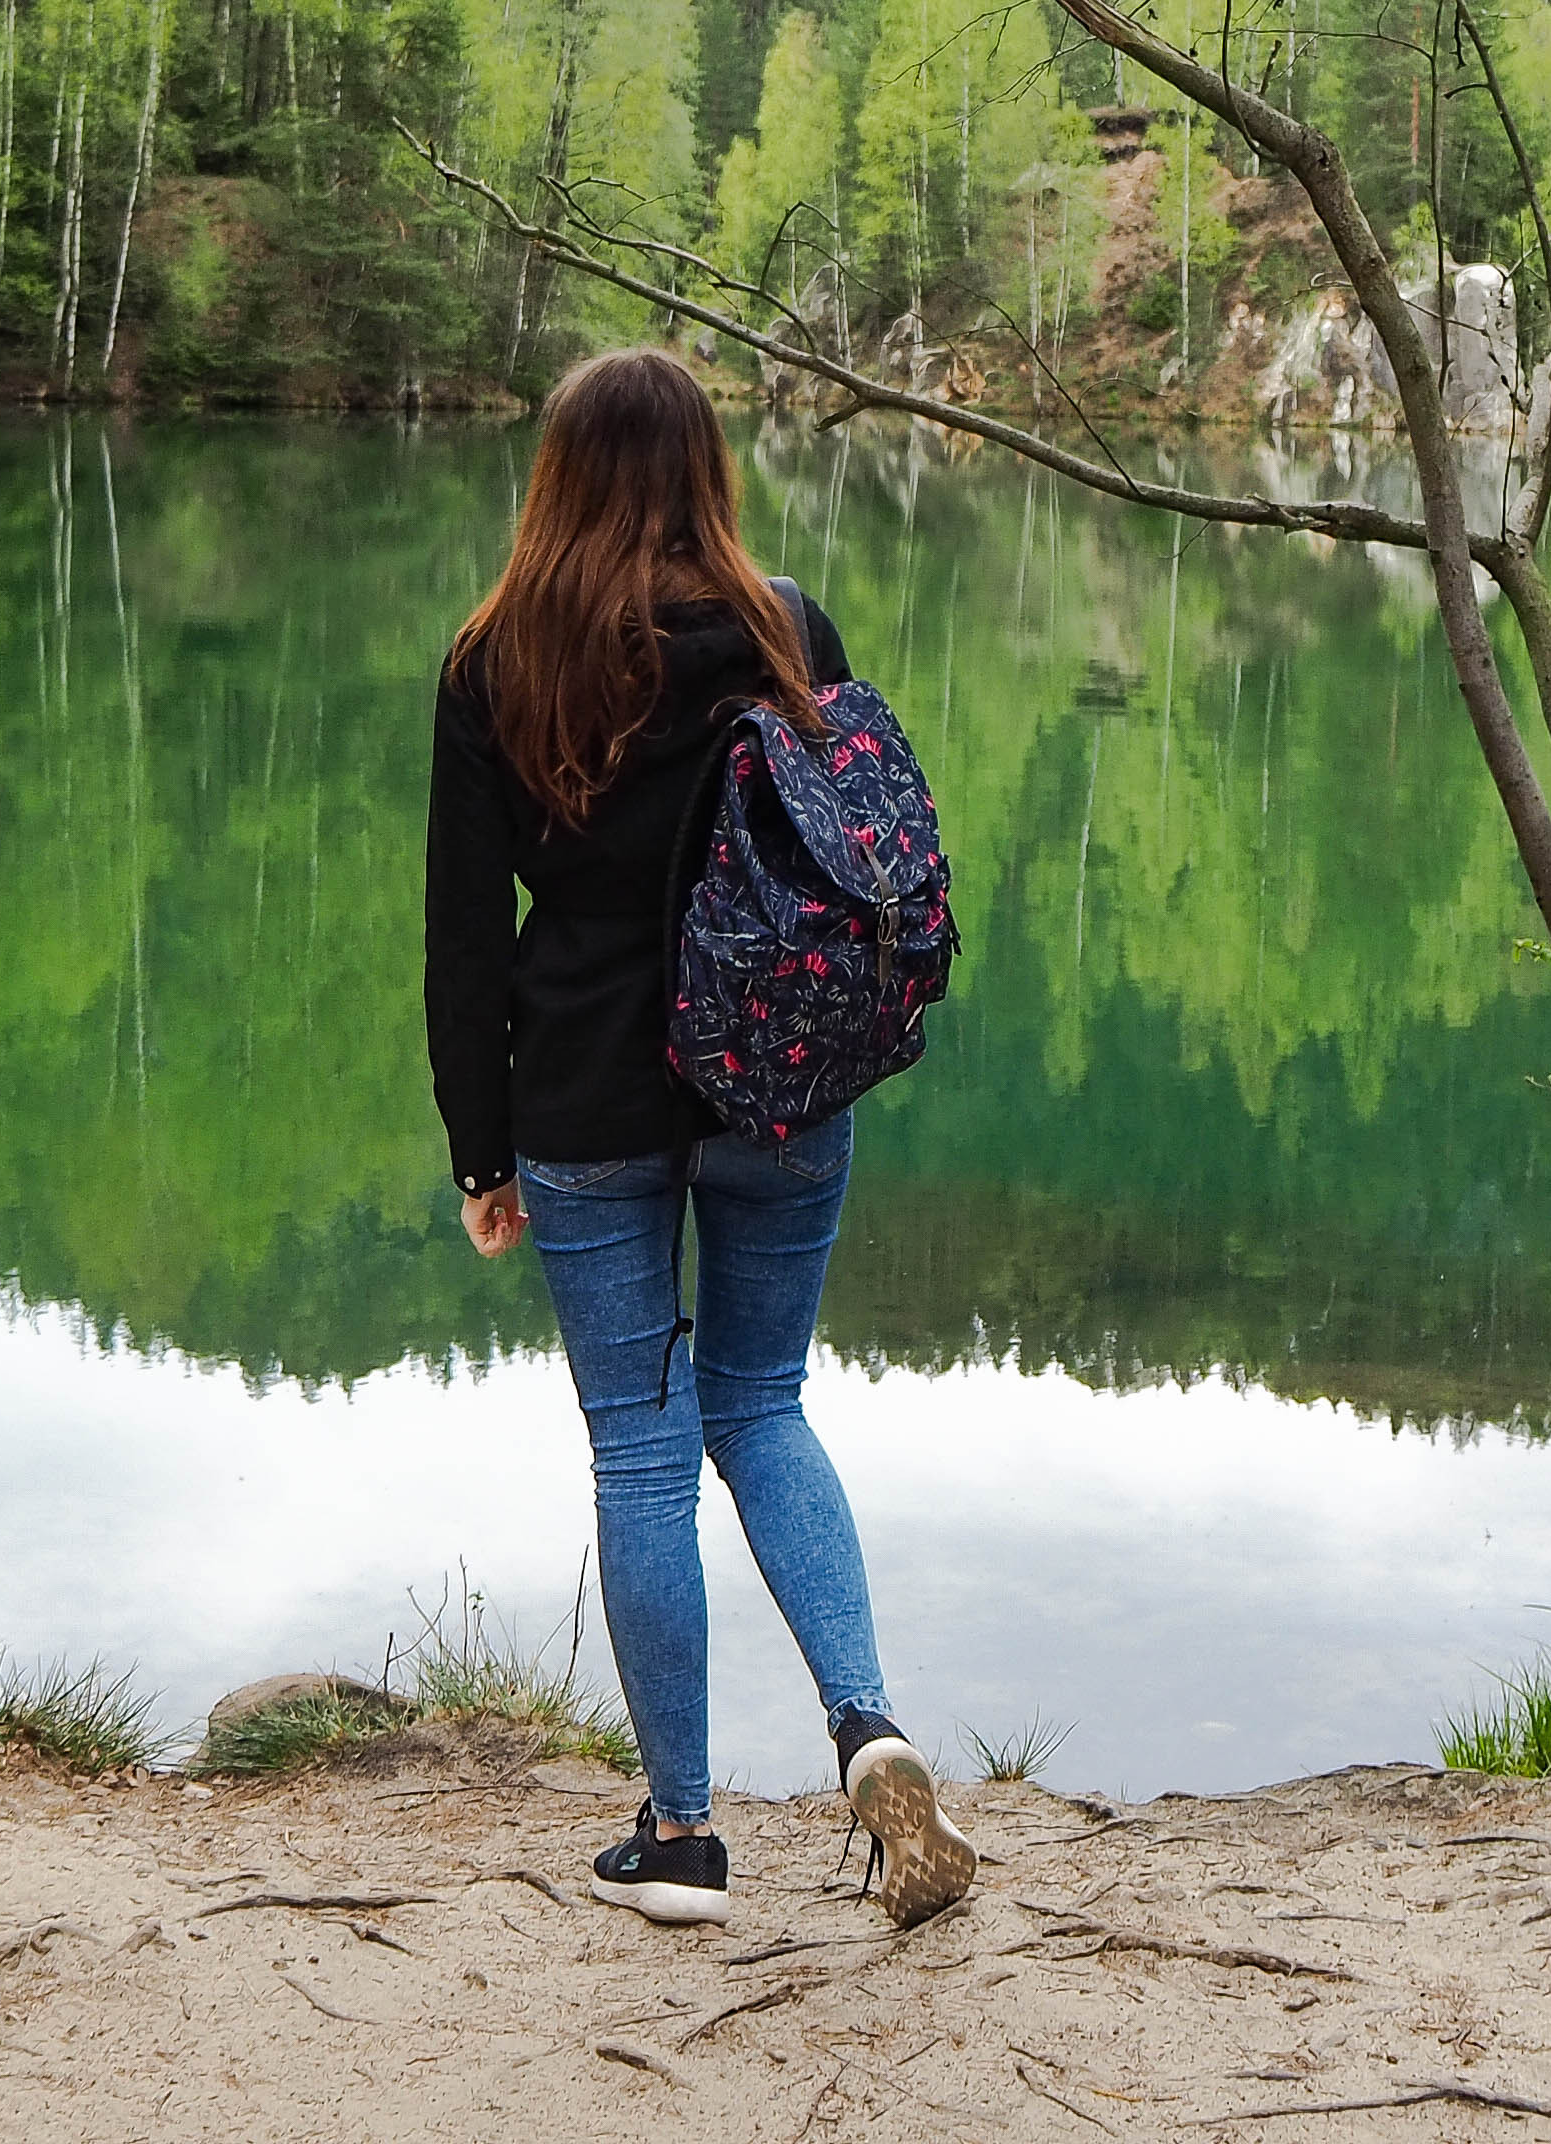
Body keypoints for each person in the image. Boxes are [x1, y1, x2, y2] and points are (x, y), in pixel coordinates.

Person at [427, 346, 980, 1931]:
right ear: (707, 471)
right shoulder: (781, 627)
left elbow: (464, 938)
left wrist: (482, 1152)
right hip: (778, 1081)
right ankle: (868, 1729)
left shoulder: (495, 657)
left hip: (590, 1094)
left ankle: (680, 1839)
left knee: (641, 1448)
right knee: (764, 1405)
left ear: (557, 478)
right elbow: (857, 843)